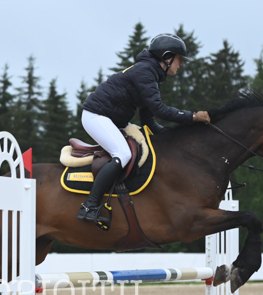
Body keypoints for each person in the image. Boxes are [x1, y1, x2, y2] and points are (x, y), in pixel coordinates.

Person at [77, 33, 211, 228]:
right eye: (179, 59)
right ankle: (89, 207)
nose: (181, 64)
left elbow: (149, 121)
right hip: (96, 116)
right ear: (167, 57)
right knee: (122, 154)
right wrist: (192, 116)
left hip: (113, 120)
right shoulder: (145, 72)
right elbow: (159, 109)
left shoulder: (151, 74)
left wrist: (170, 137)